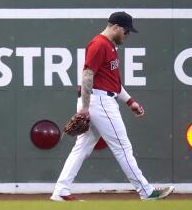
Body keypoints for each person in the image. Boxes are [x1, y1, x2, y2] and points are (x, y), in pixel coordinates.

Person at [50, 11, 174, 201]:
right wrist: (84, 107)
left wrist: (130, 101)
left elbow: (113, 83)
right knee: (122, 147)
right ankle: (146, 191)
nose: (127, 35)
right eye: (126, 31)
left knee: (82, 147)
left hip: (100, 99)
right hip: (98, 101)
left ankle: (60, 191)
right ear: (115, 27)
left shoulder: (110, 46)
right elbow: (87, 75)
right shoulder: (99, 44)